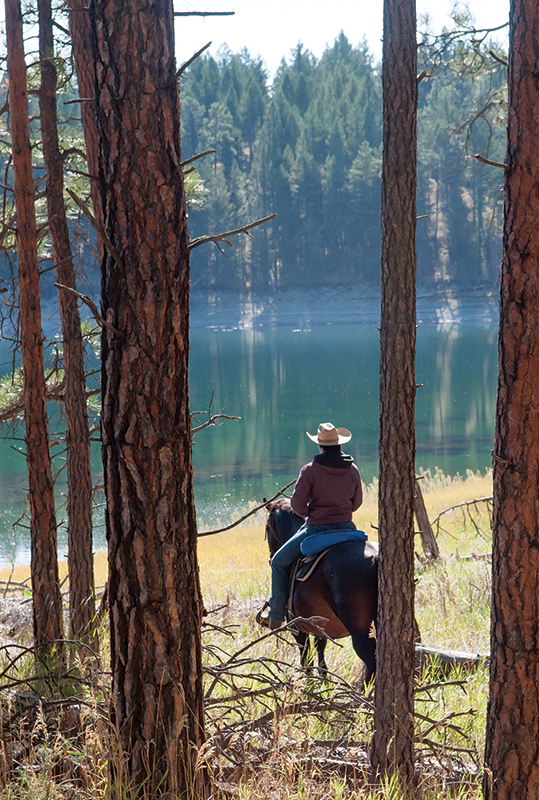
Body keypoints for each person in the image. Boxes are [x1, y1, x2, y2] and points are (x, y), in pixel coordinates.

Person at [263, 422, 363, 629]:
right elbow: (357, 503)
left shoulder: (310, 470)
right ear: (339, 445)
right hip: (348, 528)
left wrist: (313, 513)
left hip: (317, 529)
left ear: (320, 446)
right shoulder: (352, 469)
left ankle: (276, 616)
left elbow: (298, 506)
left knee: (278, 562)